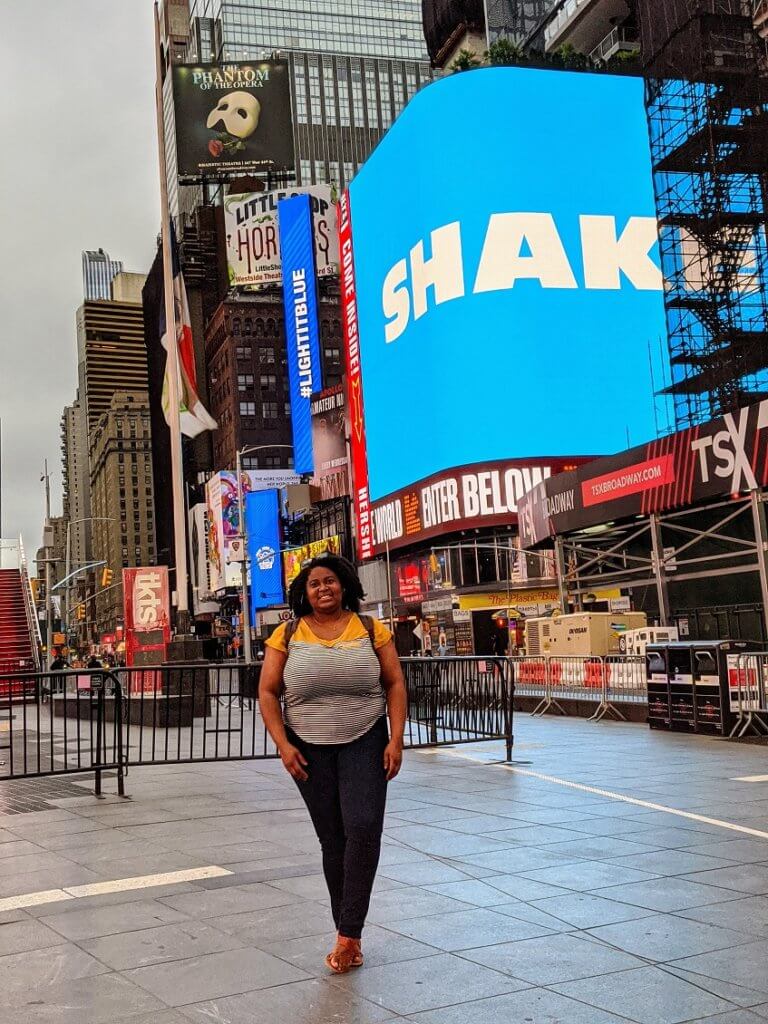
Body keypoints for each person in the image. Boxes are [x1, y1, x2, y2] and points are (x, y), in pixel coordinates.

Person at [259, 554, 407, 975]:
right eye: (314, 584)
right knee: (333, 840)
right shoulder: (286, 634)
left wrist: (395, 739)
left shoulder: (369, 628)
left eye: (330, 581)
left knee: (362, 828)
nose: (323, 589)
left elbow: (394, 682)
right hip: (309, 749)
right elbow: (268, 693)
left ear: (343, 585)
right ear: (303, 594)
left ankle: (348, 935)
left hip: (366, 739)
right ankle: (347, 930)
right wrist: (284, 746)